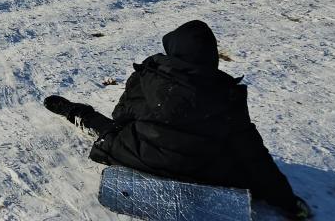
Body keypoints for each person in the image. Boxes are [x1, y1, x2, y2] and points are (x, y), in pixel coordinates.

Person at [42, 20, 310, 219]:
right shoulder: (227, 94)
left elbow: (121, 116)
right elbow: (253, 154)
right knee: (245, 165)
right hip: (200, 172)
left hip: (140, 159)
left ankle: (77, 113)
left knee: (109, 132)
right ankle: (82, 116)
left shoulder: (149, 76)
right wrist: (287, 201)